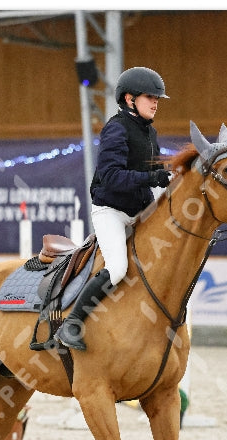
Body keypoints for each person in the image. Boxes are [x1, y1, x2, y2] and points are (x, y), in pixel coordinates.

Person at [55, 66, 171, 350]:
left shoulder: (150, 133)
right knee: (118, 268)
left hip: (140, 210)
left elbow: (153, 172)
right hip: (111, 211)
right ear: (129, 99)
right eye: (149, 97)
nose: (155, 103)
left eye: (157, 98)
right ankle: (71, 325)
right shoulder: (115, 128)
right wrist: (150, 178)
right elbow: (112, 177)